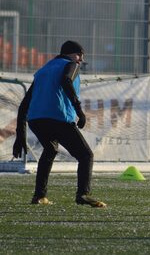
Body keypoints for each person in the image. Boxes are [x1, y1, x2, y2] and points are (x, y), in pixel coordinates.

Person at [12, 40, 106, 208]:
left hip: (37, 121)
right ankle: (83, 194)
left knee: (50, 150)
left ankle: (40, 196)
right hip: (58, 118)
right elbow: (66, 80)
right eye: (79, 55)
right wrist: (79, 111)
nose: (81, 60)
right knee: (86, 155)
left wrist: (21, 134)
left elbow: (24, 104)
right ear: (70, 54)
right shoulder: (70, 64)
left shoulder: (43, 71)